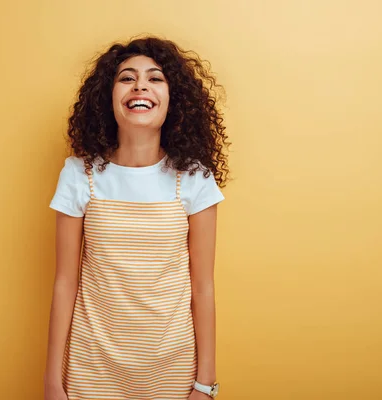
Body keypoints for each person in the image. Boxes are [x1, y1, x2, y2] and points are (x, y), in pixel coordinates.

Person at [44, 36, 230, 400]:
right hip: (90, 369)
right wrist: (52, 381)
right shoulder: (79, 174)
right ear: (107, 98)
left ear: (173, 99)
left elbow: (203, 287)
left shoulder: (194, 177)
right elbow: (64, 282)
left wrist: (205, 385)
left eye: (155, 78)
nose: (140, 85)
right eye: (126, 78)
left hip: (173, 371)